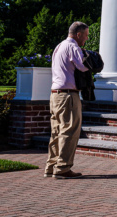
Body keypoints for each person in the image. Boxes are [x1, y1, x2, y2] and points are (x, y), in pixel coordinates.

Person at [44, 21, 89, 179]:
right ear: (78, 34)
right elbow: (83, 65)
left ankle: (51, 165)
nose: (86, 39)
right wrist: (91, 57)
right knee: (69, 131)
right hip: (68, 95)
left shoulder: (59, 46)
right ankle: (63, 167)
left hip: (55, 94)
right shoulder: (73, 47)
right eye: (85, 35)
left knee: (56, 131)